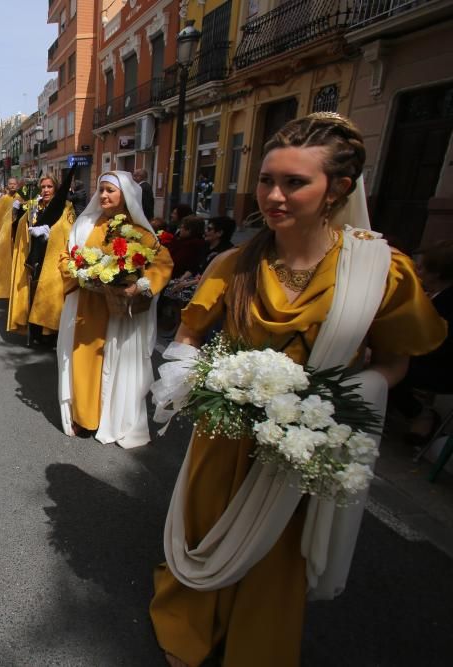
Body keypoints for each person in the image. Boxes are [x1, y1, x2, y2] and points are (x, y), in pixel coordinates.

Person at [149, 113, 447, 667]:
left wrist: (327, 409)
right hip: (227, 434)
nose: (273, 196)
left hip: (302, 446)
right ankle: (190, 629)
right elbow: (187, 335)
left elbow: (395, 363)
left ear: (337, 189)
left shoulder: (381, 273)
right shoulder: (235, 263)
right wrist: (201, 381)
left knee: (276, 552)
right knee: (205, 528)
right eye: (266, 180)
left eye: (294, 182)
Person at [57, 172, 173, 447]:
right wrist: (79, 273)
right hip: (88, 305)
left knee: (117, 364)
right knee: (85, 361)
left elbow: (162, 264)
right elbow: (66, 256)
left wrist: (140, 286)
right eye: (101, 190)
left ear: (126, 196)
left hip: (121, 312)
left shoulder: (139, 232)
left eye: (110, 190)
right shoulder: (85, 225)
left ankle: (112, 417)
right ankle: (85, 418)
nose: (104, 195)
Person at [391, 239, 453, 444]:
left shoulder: (446, 302)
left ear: (435, 274)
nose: (417, 272)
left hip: (440, 368)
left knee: (386, 367)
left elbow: (434, 344)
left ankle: (420, 415)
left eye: (421, 268)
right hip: (428, 358)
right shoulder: (435, 295)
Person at [6, 175, 75, 338]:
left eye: (49, 187)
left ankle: (51, 331)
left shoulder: (66, 207)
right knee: (34, 289)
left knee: (50, 291)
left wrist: (50, 233)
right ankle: (36, 330)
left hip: (54, 254)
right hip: (35, 254)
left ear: (55, 189)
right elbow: (19, 227)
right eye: (43, 187)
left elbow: (70, 230)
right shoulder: (33, 207)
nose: (45, 190)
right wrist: (24, 219)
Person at [0, 178, 21, 300]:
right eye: (10, 184)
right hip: (4, 234)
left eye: (14, 184)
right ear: (7, 186)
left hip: (17, 233)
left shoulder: (21, 198)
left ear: (17, 185)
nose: (12, 186)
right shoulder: (2, 200)